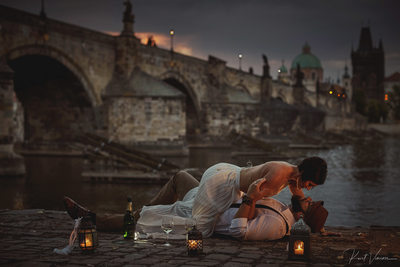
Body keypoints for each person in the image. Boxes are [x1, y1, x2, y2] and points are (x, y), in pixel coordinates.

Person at [64, 157, 328, 240]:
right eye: (311, 183)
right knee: (190, 226)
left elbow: (301, 201)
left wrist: (321, 228)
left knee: (176, 208)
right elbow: (251, 198)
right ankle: (98, 220)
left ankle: (94, 218)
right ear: (305, 172)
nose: (309, 189)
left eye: (312, 188)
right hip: (223, 187)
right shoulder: (281, 173)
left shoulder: (292, 179)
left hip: (225, 180)